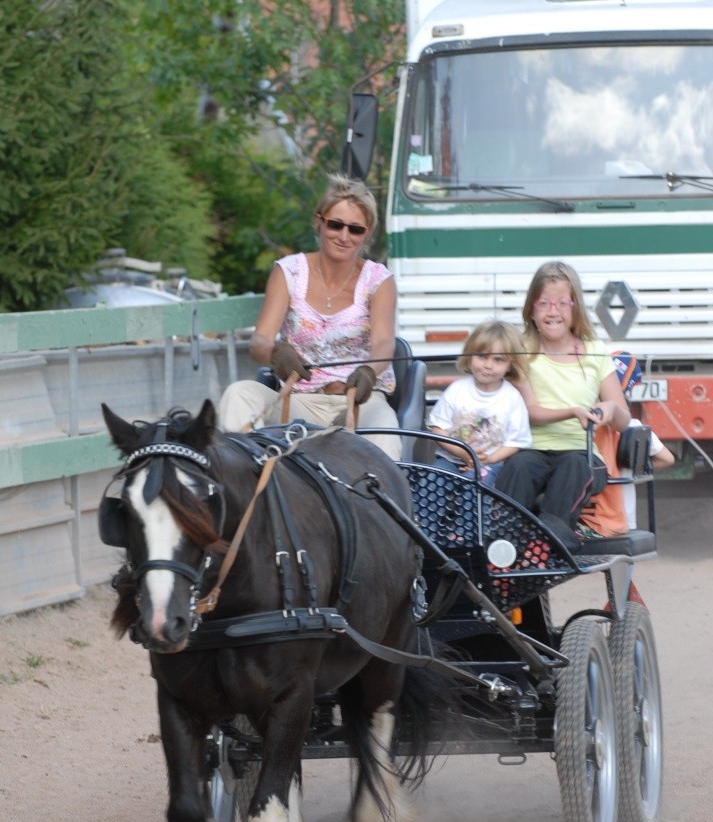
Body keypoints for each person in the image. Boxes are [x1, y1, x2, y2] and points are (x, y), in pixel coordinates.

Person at [218, 173, 401, 458]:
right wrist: (277, 353)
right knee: (238, 394)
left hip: (360, 401)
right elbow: (260, 341)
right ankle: (242, 488)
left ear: (367, 234)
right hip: (299, 400)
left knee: (386, 438)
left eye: (355, 229)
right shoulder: (288, 271)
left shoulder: (379, 280)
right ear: (319, 221)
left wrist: (368, 371)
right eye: (335, 224)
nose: (343, 236)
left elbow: (383, 343)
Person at [494, 260, 631, 549]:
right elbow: (530, 410)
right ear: (531, 308)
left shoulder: (594, 352)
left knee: (572, 466)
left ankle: (548, 540)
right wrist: (572, 411)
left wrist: (609, 411)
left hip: (581, 452)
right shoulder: (522, 351)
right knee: (518, 466)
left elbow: (623, 419)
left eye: (561, 303)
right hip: (534, 447)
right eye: (544, 303)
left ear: (574, 307)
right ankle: (503, 545)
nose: (553, 312)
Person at [426, 320, 532, 485]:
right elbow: (438, 428)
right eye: (482, 356)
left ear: (510, 365)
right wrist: (461, 452)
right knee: (432, 483)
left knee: (476, 487)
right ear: (469, 356)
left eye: (498, 360)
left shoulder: (512, 398)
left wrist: (488, 459)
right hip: (450, 459)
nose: (488, 365)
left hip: (490, 463)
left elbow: (516, 441)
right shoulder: (457, 390)